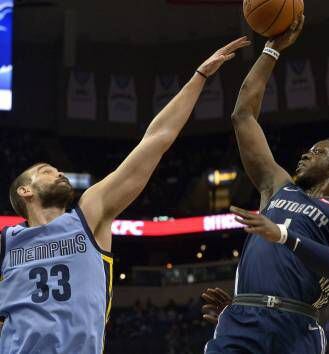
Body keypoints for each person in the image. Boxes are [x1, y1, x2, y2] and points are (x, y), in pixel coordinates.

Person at [0, 36, 251, 354]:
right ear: (26, 191)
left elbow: (156, 139)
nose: (59, 173)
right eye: (47, 171)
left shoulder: (89, 214)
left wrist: (199, 77)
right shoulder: (6, 243)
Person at [204, 15, 329, 354]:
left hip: (295, 327)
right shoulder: (278, 186)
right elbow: (242, 116)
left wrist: (284, 235)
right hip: (240, 320)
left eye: (317, 152)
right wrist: (272, 49)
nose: (306, 154)